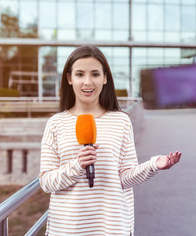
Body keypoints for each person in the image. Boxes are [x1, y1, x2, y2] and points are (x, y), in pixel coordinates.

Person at [39, 45, 181, 236]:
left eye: (95, 74)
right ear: (69, 78)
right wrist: (77, 165)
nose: (87, 82)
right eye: (80, 74)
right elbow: (46, 182)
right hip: (67, 229)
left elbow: (124, 178)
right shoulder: (56, 124)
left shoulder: (121, 121)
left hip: (112, 228)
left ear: (105, 78)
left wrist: (154, 165)